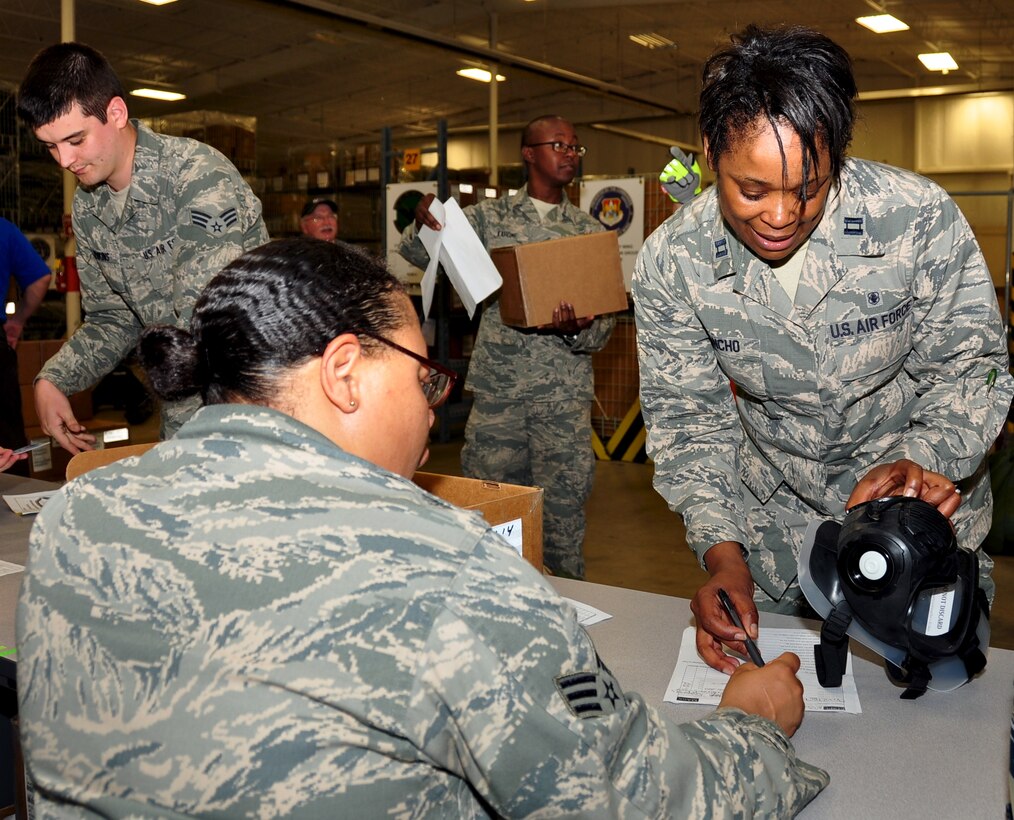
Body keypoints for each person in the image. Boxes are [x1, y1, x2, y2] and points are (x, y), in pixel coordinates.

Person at [17, 237, 827, 816]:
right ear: (343, 372)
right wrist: (751, 727)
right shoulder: (444, 563)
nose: (434, 406)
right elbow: (630, 803)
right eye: (423, 376)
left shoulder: (81, 515)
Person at [633, 24, 1013, 674]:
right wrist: (724, 557)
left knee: (942, 730)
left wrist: (920, 463)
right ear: (708, 153)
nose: (780, 215)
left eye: (808, 188)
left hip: (919, 533)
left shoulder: (915, 218)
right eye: (750, 190)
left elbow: (971, 369)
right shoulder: (675, 264)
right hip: (776, 537)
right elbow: (690, 425)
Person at [15, 41, 268, 455]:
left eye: (75, 140)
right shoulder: (90, 204)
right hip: (183, 423)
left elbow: (206, 328)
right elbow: (114, 320)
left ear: (116, 113)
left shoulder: (196, 177)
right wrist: (54, 379)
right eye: (50, 146)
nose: (64, 161)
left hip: (248, 415)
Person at [399, 114, 615, 579]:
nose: (569, 154)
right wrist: (426, 221)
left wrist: (577, 328)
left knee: (562, 520)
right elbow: (419, 255)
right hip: (501, 396)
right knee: (491, 511)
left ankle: (572, 615)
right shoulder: (488, 219)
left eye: (575, 147)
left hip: (562, 399)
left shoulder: (588, 232)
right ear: (528, 153)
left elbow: (604, 330)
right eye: (559, 144)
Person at [0, 218, 51, 475]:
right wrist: (17, 321)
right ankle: (16, 508)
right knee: (7, 443)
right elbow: (41, 278)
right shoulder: (3, 229)